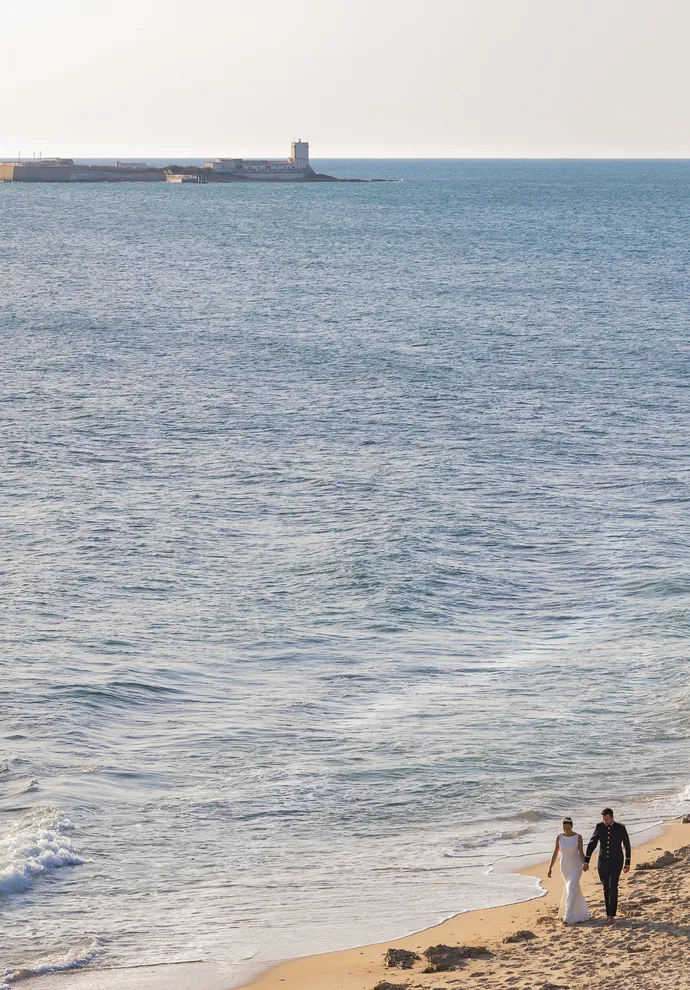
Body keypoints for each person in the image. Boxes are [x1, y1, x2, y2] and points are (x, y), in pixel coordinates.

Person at [582, 807, 631, 923]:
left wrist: (627, 862)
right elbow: (592, 844)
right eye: (604, 819)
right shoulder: (599, 827)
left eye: (607, 819)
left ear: (612, 817)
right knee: (605, 888)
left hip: (617, 861)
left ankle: (611, 915)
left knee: (613, 886)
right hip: (602, 862)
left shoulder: (620, 828)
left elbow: (627, 845)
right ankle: (608, 912)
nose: (606, 821)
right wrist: (586, 861)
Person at [547, 817, 589, 923]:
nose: (566, 831)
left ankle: (568, 917)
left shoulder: (578, 837)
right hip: (564, 867)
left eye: (568, 829)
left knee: (571, 888)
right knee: (571, 889)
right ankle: (581, 913)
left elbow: (580, 853)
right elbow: (555, 853)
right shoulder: (559, 837)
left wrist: (585, 863)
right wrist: (550, 868)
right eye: (564, 829)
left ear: (572, 826)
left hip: (576, 866)